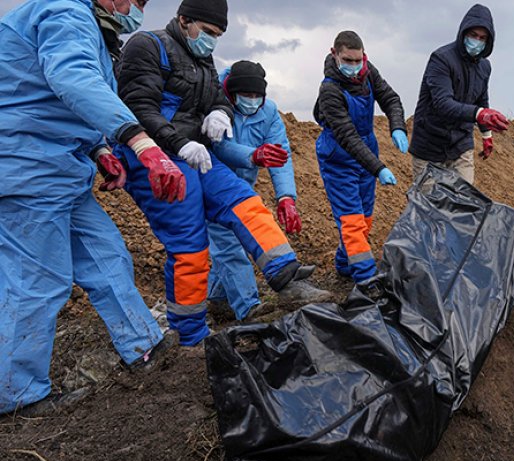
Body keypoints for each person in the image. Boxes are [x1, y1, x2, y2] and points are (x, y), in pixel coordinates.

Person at [0, 0, 185, 414]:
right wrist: (139, 141)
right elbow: (72, 78)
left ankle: (143, 345)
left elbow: (60, 98)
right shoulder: (65, 12)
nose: (135, 8)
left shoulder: (90, 30)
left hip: (59, 169)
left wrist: (100, 148)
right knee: (36, 281)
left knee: (107, 256)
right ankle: (17, 396)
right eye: (132, 0)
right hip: (24, 167)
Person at [116, 0, 330, 347]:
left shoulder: (202, 60)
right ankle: (191, 336)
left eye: (219, 35)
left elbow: (216, 97)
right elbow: (137, 107)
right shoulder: (147, 46)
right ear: (184, 20)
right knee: (191, 246)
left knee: (244, 201)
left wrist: (219, 113)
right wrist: (176, 143)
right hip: (154, 157)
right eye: (210, 32)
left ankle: (287, 278)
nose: (213, 41)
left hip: (195, 154)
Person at [209, 60, 301, 320]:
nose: (251, 101)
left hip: (242, 188)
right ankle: (248, 309)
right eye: (245, 95)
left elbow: (280, 155)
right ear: (231, 92)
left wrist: (286, 197)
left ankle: (217, 300)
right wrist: (253, 155)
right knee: (229, 246)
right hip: (214, 185)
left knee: (230, 242)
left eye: (256, 96)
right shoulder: (216, 105)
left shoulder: (268, 112)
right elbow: (218, 146)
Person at [313, 31, 407, 285]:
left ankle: (345, 264)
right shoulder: (330, 90)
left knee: (364, 217)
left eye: (358, 60)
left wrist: (397, 125)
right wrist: (379, 168)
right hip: (339, 158)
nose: (354, 67)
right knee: (351, 221)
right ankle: (367, 280)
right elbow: (346, 135)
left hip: (367, 150)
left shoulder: (368, 72)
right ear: (335, 54)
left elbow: (390, 98)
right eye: (348, 60)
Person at [409, 4, 510, 185]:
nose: (476, 41)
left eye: (482, 38)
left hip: (461, 144)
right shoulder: (441, 59)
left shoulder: (484, 67)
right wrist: (479, 113)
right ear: (463, 33)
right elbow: (443, 103)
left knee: (464, 204)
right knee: (429, 208)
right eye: (473, 35)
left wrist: (486, 135)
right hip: (430, 144)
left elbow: (481, 99)